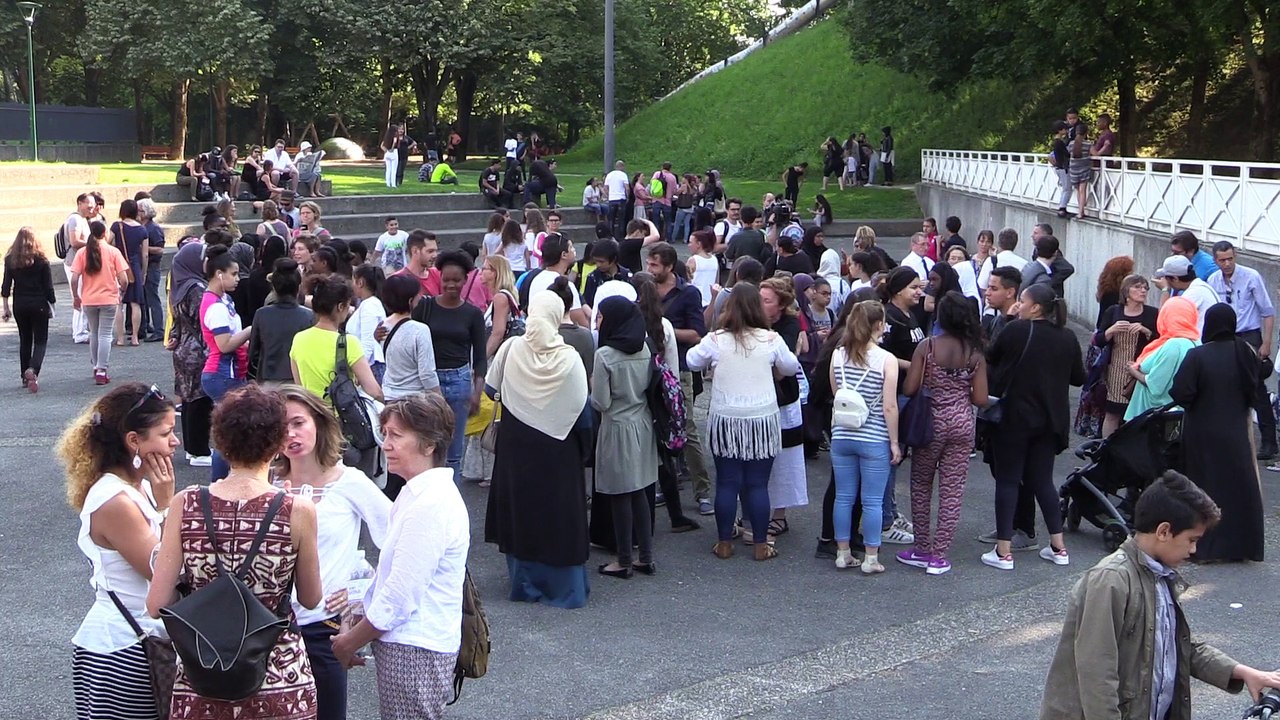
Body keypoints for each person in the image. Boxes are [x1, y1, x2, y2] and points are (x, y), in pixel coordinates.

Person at [1039, 471, 1280, 720]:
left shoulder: (1160, 576)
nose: (1194, 549)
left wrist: (1241, 672)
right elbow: (1096, 673)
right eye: (1191, 540)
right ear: (1164, 531)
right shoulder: (1111, 580)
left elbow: (1179, 646)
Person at [146, 384, 322, 719]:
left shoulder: (187, 503)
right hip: (279, 681)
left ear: (220, 441)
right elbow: (312, 598)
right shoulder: (297, 509)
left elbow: (157, 605)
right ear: (278, 443)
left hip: (203, 676)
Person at [331, 393, 470, 718]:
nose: (386, 444)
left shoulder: (429, 504)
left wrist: (350, 641)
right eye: (386, 434)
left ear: (429, 444)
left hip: (416, 647)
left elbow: (400, 595)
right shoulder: (418, 492)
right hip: (412, 644)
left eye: (396, 435)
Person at [60, 383, 178, 720]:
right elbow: (163, 572)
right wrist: (170, 505)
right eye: (166, 432)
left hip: (138, 642)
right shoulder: (115, 501)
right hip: (124, 650)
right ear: (134, 441)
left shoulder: (135, 486)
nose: (175, 441)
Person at [272, 386, 391, 720]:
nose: (290, 434)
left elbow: (399, 542)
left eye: (298, 423)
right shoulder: (267, 485)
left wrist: (360, 591)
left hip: (323, 627)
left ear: (318, 423)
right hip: (270, 630)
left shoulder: (350, 482)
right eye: (281, 428)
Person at [485, 290, 592, 608]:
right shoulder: (569, 358)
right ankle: (565, 589)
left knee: (523, 513)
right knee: (559, 516)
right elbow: (582, 411)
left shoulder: (511, 349)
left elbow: (492, 390)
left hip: (517, 448)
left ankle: (525, 585)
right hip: (560, 450)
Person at [687, 284, 801, 561]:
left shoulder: (716, 339)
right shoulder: (771, 339)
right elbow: (790, 367)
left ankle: (724, 543)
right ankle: (761, 544)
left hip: (726, 418)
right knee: (757, 484)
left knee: (727, 482)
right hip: (761, 419)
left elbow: (691, 361)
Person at [982, 284, 1084, 571]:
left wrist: (1009, 319)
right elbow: (1079, 377)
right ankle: (1058, 546)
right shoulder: (1067, 337)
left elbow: (991, 355)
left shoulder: (1016, 330)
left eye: (1022, 301)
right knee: (1042, 481)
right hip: (1050, 421)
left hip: (1014, 418)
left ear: (1036, 307)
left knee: (1008, 480)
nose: (1019, 305)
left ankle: (1003, 551)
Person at [898, 292, 988, 576]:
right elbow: (981, 398)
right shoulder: (975, 352)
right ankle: (940, 556)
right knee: (952, 490)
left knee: (922, 484)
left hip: (930, 424)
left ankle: (922, 548)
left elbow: (910, 388)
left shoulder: (928, 346)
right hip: (962, 423)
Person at [1170, 304, 1264, 562]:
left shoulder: (1199, 356)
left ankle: (1207, 546)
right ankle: (1243, 546)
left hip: (1203, 430)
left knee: (1206, 487)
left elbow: (1181, 392)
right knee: (1238, 487)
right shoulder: (1244, 351)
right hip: (1236, 430)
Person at [827, 300, 900, 573]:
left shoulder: (838, 354)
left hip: (842, 433)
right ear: (878, 325)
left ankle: (842, 552)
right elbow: (889, 405)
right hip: (874, 436)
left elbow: (838, 394)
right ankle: (871, 557)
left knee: (843, 496)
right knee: (872, 500)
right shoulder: (886, 359)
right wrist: (894, 442)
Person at [590, 297, 660, 578]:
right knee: (641, 491)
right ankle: (646, 556)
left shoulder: (605, 355)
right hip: (642, 423)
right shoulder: (644, 346)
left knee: (619, 494)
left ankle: (623, 560)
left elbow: (601, 402)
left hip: (617, 426)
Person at [414, 251, 487, 473]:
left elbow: (481, 357)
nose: (451, 285)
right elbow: (408, 334)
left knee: (454, 453)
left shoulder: (473, 314)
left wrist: (477, 391)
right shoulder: (425, 307)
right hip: (429, 381)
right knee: (427, 447)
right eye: (446, 280)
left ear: (465, 280)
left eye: (456, 280)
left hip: (459, 382)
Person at [1206, 240, 1277, 459]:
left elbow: (1267, 311)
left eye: (1230, 259)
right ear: (1215, 260)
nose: (1227, 264)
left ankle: (1269, 442)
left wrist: (1266, 342)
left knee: (1256, 386)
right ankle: (1231, 439)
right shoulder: (1213, 280)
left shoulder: (1251, 276)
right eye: (1222, 260)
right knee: (1226, 385)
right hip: (1226, 334)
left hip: (1249, 334)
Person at [198, 244, 253, 480]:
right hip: (222, 373)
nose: (238, 278)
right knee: (228, 435)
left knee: (229, 432)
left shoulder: (221, 301)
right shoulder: (215, 306)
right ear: (219, 274)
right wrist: (252, 330)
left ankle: (222, 481)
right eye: (234, 273)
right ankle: (219, 482)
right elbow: (224, 345)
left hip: (226, 371)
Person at [290, 274, 383, 404]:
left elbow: (299, 385)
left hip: (313, 415)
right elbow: (373, 390)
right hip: (340, 418)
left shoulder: (299, 339)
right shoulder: (348, 342)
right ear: (340, 307)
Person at [1098, 274, 1159, 436]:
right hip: (1116, 368)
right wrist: (1111, 330)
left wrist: (1145, 330)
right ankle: (1107, 450)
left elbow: (1160, 341)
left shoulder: (1152, 313)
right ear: (1126, 291)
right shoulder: (1113, 311)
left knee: (1138, 414)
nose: (1143, 291)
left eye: (1145, 287)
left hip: (1141, 368)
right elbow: (1098, 340)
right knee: (1112, 413)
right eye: (1137, 287)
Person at [70, 221, 130, 385]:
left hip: (88, 299)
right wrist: (121, 291)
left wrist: (76, 296)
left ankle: (96, 366)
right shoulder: (113, 252)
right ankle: (102, 369)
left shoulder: (83, 252)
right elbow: (124, 279)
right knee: (105, 334)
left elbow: (74, 277)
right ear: (104, 233)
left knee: (93, 333)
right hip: (108, 298)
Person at [1125, 296, 1200, 422]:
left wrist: (1134, 372)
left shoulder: (1173, 345)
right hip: (1178, 413)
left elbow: (1155, 384)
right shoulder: (1196, 342)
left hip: (1153, 415)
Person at [3, 227, 54, 392]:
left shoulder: (10, 259)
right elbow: (48, 288)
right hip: (38, 304)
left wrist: (5, 308)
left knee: (25, 339)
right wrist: (52, 304)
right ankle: (33, 369)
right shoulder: (42, 260)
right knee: (40, 341)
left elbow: (6, 286)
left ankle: (24, 376)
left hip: (20, 305)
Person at [248, 259, 314, 384]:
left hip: (269, 378)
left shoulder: (261, 314)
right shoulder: (308, 316)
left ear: (274, 287)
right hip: (299, 379)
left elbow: (253, 353)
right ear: (299, 287)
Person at [349, 265, 388, 383]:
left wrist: (361, 371)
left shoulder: (370, 305)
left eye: (353, 281)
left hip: (372, 367)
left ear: (360, 282)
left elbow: (368, 341)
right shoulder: (367, 304)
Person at [136, 198, 166, 343]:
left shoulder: (153, 228)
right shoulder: (143, 226)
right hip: (145, 266)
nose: (138, 213)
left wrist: (143, 248)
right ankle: (145, 326)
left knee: (153, 299)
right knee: (146, 299)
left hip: (152, 267)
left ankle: (159, 329)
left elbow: (160, 249)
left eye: (140, 210)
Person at [685, 230, 718, 308]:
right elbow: (716, 281)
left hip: (695, 301)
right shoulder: (714, 259)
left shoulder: (693, 260)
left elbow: (686, 281)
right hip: (710, 301)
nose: (688, 245)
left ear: (698, 244)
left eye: (690, 242)